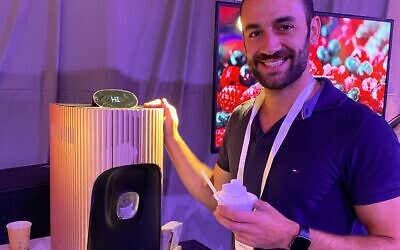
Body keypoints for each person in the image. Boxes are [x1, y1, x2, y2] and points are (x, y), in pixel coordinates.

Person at [145, 0, 400, 249]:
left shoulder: (363, 130)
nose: (269, 46)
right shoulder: (240, 119)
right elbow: (218, 195)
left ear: (312, 31)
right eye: (255, 32)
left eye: (284, 27)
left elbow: (393, 242)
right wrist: (171, 138)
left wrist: (291, 238)